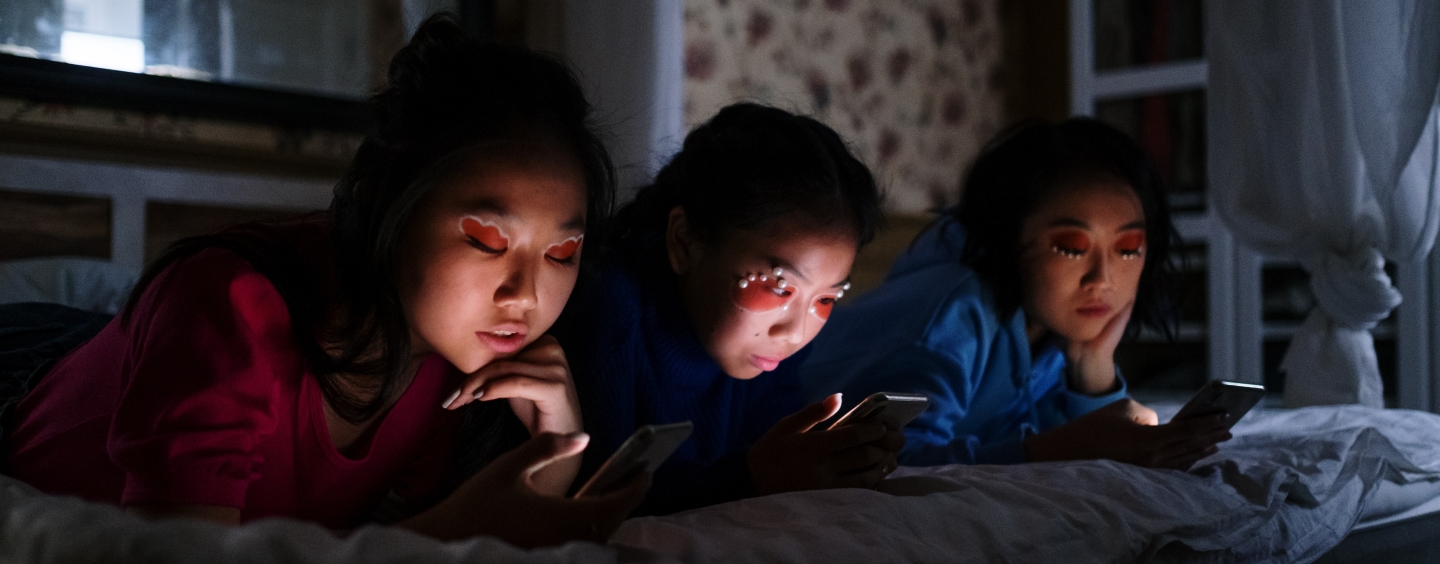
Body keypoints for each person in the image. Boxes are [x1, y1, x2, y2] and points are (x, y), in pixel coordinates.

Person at [3, 14, 644, 547]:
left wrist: (557, 445)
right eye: (484, 241)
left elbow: (447, 538)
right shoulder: (228, 306)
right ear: (393, 208)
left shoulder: (452, 360)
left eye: (562, 254)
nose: (526, 296)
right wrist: (458, 527)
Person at [459, 103, 898, 515]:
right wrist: (751, 476)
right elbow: (597, 499)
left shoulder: (773, 350)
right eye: (779, 287)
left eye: (825, 299)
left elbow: (769, 462)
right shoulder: (609, 308)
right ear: (684, 241)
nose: (796, 331)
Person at [801, 118, 1231, 469]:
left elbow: (1100, 447)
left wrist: (1093, 366)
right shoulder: (955, 313)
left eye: (1127, 249)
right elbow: (890, 463)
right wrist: (1062, 448)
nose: (1101, 279)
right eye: (1071, 248)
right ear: (1010, 237)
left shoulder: (1048, 329)